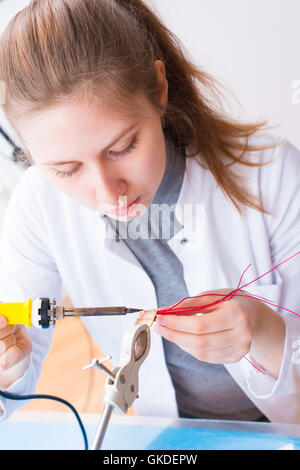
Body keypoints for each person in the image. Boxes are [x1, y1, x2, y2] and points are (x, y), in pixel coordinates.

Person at [0, 0, 299, 424]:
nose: (107, 191)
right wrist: (7, 367)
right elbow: (13, 372)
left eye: (122, 147)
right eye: (66, 170)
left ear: (159, 88)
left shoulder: (273, 176)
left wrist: (265, 334)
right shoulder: (39, 205)